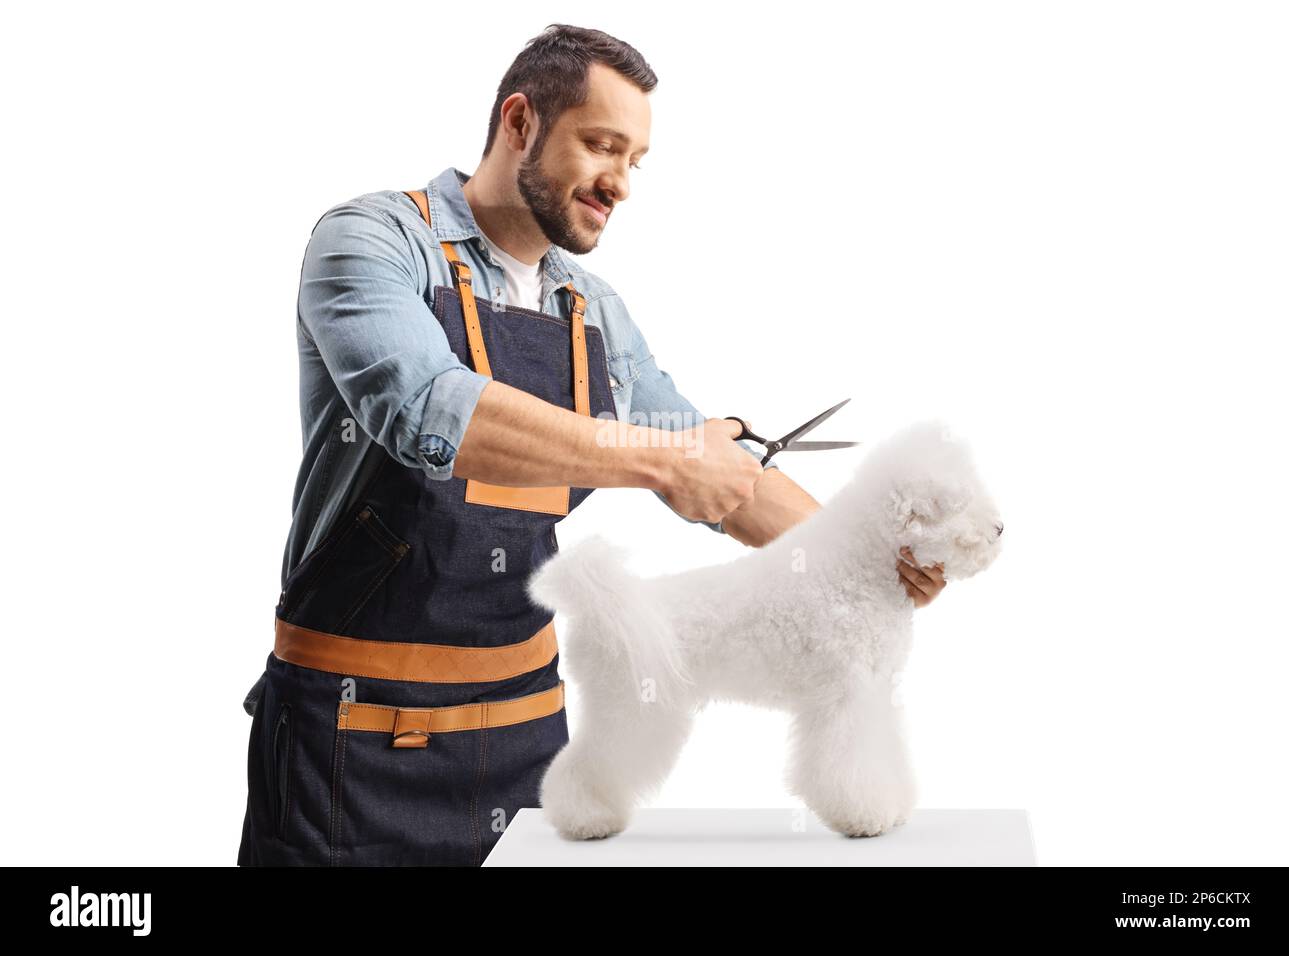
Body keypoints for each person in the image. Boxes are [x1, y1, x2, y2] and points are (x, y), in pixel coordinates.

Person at [237, 23, 946, 867]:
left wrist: (867, 561)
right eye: (601, 144)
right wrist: (665, 458)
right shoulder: (371, 243)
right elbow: (428, 408)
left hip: (527, 730)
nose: (620, 182)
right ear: (519, 122)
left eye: (635, 159)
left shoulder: (592, 310)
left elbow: (724, 479)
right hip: (351, 736)